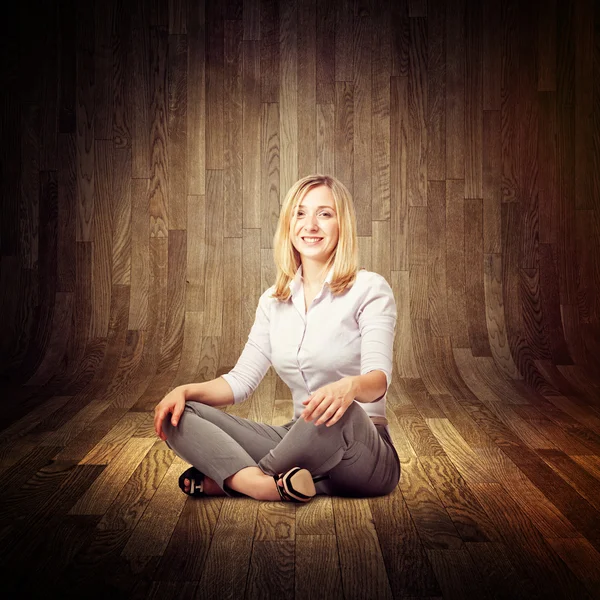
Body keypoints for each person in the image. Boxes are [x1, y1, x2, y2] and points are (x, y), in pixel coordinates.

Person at [153, 174, 400, 502]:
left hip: (365, 450)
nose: (310, 225)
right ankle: (270, 484)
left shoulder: (370, 288)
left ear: (343, 225)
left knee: (343, 411)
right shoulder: (274, 300)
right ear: (289, 225)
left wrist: (350, 387)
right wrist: (184, 390)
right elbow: (240, 382)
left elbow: (379, 380)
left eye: (324, 214)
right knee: (179, 414)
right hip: (298, 438)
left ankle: (242, 480)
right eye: (300, 213)